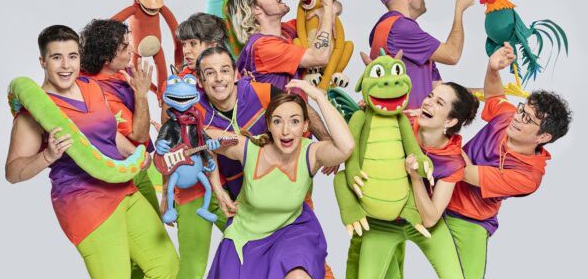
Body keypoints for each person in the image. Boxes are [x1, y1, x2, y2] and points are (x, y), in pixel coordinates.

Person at [5, 25, 178, 278]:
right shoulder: (34, 114)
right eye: (57, 57)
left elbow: (109, 133)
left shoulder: (91, 87)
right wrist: (47, 156)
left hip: (125, 190)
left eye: (72, 56)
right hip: (86, 204)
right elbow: (13, 172)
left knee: (166, 265)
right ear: (43, 61)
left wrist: (135, 154)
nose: (66, 65)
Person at [444, 42, 572, 278]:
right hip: (436, 193)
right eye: (522, 110)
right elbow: (495, 96)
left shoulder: (528, 177)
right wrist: (493, 69)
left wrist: (444, 132)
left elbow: (466, 172)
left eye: (528, 119)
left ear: (543, 137)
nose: (518, 117)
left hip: (468, 219)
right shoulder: (509, 116)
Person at [206, 79, 355, 279]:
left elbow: (346, 147)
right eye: (277, 121)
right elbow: (202, 137)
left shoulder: (310, 153)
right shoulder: (249, 149)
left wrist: (318, 97)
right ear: (268, 125)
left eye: (294, 121)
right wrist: (217, 187)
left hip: (292, 232)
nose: (286, 131)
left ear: (305, 125)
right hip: (245, 237)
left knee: (298, 276)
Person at [167, 46, 281, 279]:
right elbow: (206, 148)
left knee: (297, 257)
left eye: (225, 70)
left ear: (236, 74)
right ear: (200, 81)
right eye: (210, 73)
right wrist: (218, 190)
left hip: (280, 189)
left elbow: (301, 115)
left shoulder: (262, 92)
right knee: (236, 264)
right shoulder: (194, 111)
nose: (219, 78)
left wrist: (325, 144)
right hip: (240, 197)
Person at [345, 82, 479, 279]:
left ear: (450, 121)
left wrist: (416, 179)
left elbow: (431, 218)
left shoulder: (452, 161)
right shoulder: (401, 122)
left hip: (425, 224)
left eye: (439, 102)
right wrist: (367, 112)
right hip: (383, 223)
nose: (428, 102)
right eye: (430, 96)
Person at [80, 19, 159, 213]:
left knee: (156, 221)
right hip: (123, 172)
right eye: (124, 46)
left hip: (137, 165)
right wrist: (141, 95)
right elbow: (138, 136)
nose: (131, 48)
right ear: (105, 57)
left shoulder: (117, 70)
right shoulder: (101, 91)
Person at [370, 0, 475, 111]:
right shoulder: (400, 28)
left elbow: (438, 89)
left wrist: (487, 92)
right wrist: (459, 9)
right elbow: (452, 54)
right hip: (408, 122)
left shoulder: (386, 29)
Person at [227, 0, 339, 91]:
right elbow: (319, 57)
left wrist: (331, 9)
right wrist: (327, 7)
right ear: (256, 9)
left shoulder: (286, 31)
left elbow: (329, 12)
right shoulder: (263, 48)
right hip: (280, 104)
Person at [161, 12, 229, 123]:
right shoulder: (178, 83)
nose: (186, 51)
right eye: (184, 44)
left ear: (212, 45)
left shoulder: (233, 75)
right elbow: (167, 125)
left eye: (193, 44)